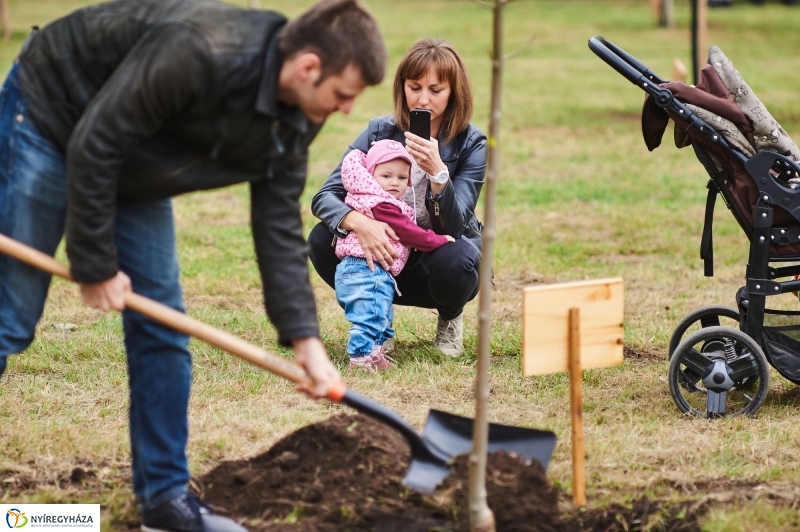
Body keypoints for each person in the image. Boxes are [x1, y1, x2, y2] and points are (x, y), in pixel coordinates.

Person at [0, 0, 386, 530]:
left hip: (134, 154)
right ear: (308, 67)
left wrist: (307, 342)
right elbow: (97, 140)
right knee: (10, 319)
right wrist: (95, 264)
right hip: (52, 112)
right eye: (344, 95)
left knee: (162, 327)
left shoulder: (298, 115)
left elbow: (276, 224)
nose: (347, 111)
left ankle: (165, 502)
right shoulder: (200, 50)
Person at [309, 38, 487, 357]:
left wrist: (438, 172)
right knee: (322, 239)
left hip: (436, 253)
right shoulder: (380, 131)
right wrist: (360, 222)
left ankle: (450, 317)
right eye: (414, 86)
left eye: (436, 90)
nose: (422, 99)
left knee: (457, 260)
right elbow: (325, 196)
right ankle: (377, 318)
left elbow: (456, 227)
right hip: (386, 250)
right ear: (401, 87)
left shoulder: (471, 143)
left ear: (454, 93)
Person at [335, 139, 454, 372]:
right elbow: (409, 232)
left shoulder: (386, 201)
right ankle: (359, 359)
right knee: (368, 317)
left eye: (401, 178)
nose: (394, 183)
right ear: (371, 176)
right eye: (386, 176)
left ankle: (376, 354)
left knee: (382, 313)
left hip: (377, 271)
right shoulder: (379, 203)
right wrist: (439, 239)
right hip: (362, 269)